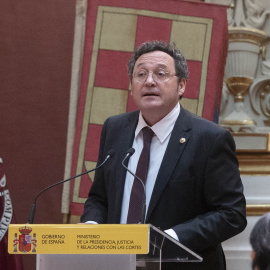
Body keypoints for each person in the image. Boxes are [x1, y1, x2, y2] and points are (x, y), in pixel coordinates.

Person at [81, 40, 247, 269]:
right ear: (132, 85)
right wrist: (91, 226)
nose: (149, 81)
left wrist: (169, 239)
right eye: (141, 74)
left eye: (160, 74)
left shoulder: (209, 139)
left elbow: (231, 214)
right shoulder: (114, 128)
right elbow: (99, 198)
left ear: (181, 86)